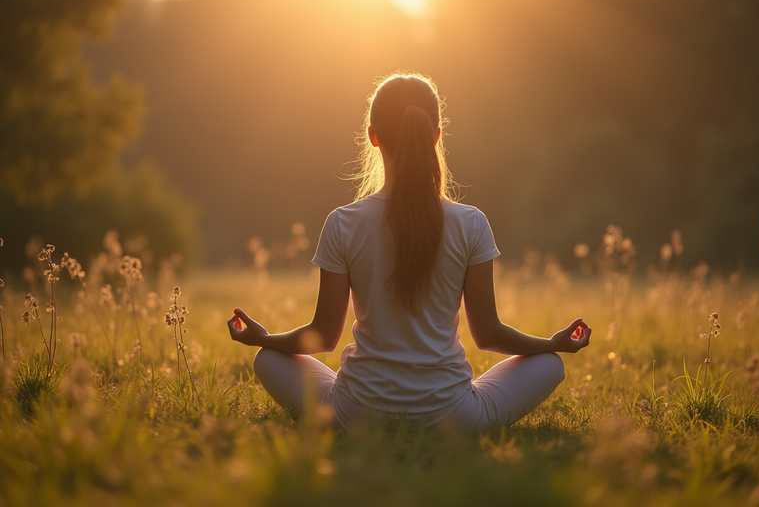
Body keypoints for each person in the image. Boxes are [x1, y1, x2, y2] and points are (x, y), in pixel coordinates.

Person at [227, 72, 591, 431]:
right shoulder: (471, 222)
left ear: (372, 137)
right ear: (436, 136)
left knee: (267, 358)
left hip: (354, 414)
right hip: (453, 417)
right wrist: (551, 343)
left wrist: (263, 338)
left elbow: (322, 335)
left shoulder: (343, 223)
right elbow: (488, 335)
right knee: (551, 364)